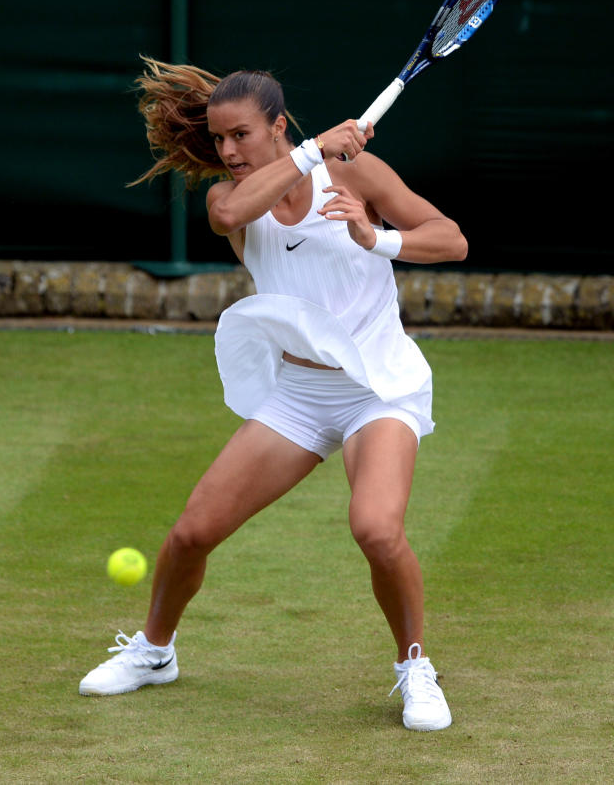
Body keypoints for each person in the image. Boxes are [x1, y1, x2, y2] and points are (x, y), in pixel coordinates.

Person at [79, 58, 468, 731]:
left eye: (242, 136)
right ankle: (154, 651)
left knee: (376, 528)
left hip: (377, 388)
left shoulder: (356, 175)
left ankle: (415, 668)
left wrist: (377, 238)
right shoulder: (231, 202)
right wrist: (316, 149)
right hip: (298, 393)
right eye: (220, 139)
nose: (228, 151)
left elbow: (451, 240)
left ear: (277, 125)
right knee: (191, 533)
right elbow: (232, 208)